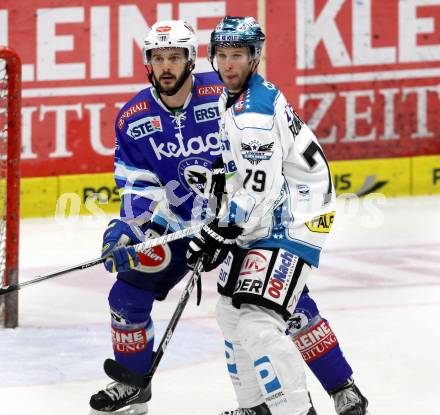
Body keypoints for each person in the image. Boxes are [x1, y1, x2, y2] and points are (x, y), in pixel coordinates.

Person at [89, 18, 367, 415]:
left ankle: (341, 386)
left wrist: (228, 223)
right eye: (158, 57)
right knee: (127, 294)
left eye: (175, 56)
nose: (166, 65)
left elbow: (259, 177)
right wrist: (128, 230)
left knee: (276, 305)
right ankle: (131, 384)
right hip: (181, 223)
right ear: (148, 63)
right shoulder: (133, 118)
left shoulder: (224, 92)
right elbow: (139, 184)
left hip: (243, 220)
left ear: (191, 59)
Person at [186, 16, 369, 415]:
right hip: (274, 210)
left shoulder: (255, 112)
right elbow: (254, 168)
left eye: (238, 55)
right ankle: (257, 406)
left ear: (254, 57)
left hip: (294, 216)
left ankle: (295, 410)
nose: (228, 63)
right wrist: (221, 173)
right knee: (229, 313)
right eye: (222, 54)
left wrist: (220, 231)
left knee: (256, 321)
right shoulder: (233, 95)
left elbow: (259, 190)